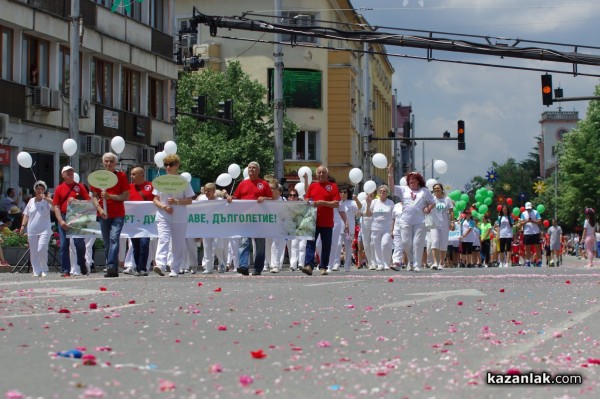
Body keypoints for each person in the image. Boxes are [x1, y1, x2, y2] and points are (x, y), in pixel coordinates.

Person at [227, 161, 273, 276]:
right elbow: (236, 197)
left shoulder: (264, 184)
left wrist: (265, 198)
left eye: (253, 168)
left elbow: (272, 200)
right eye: (249, 168)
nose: (251, 170)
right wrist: (230, 198)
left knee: (260, 245)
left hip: (260, 219)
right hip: (245, 218)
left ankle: (257, 268)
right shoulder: (243, 183)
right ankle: (243, 266)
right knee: (244, 242)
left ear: (258, 171)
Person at [152, 154, 195, 277]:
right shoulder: (161, 180)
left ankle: (175, 269)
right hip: (163, 214)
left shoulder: (183, 181)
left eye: (171, 164)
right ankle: (160, 264)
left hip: (179, 215)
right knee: (163, 238)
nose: (168, 167)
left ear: (177, 165)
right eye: (166, 165)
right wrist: (164, 207)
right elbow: (155, 199)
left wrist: (177, 202)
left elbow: (190, 200)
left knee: (178, 242)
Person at [387, 165, 435, 272]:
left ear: (418, 181)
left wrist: (428, 208)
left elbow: (433, 202)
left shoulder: (424, 191)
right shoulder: (404, 190)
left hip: (420, 221)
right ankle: (411, 261)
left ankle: (417, 264)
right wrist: (390, 174)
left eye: (414, 179)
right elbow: (392, 188)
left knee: (418, 243)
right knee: (406, 242)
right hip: (405, 220)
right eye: (410, 179)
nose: (411, 181)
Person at [90, 153, 130, 278]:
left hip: (117, 214)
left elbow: (125, 195)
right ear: (103, 162)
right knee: (107, 243)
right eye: (106, 161)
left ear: (115, 163)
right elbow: (94, 196)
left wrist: (110, 197)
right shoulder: (98, 177)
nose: (108, 163)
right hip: (103, 214)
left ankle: (112, 266)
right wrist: (100, 209)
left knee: (114, 239)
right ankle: (112, 267)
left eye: (111, 161)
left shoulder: (121, 176)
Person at [301, 165, 341, 276]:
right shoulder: (312, 186)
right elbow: (307, 200)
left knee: (326, 245)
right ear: (316, 174)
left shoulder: (332, 186)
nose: (321, 174)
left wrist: (322, 202)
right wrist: (308, 202)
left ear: (327, 174)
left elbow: (336, 203)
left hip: (327, 222)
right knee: (310, 244)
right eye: (319, 172)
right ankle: (308, 265)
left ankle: (323, 266)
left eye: (323, 172)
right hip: (313, 221)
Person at [53, 165, 91, 277]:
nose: (70, 173)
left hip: (77, 217)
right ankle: (65, 269)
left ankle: (81, 262)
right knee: (64, 245)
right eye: (67, 172)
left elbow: (88, 203)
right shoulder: (59, 188)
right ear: (62, 175)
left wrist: (76, 201)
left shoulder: (80, 187)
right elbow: (56, 206)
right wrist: (60, 221)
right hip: (64, 216)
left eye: (71, 171)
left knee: (79, 243)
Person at [18, 181, 53, 277]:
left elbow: (54, 206)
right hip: (32, 229)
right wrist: (22, 226)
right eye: (38, 189)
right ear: (34, 190)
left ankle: (44, 269)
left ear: (44, 190)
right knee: (33, 251)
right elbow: (26, 214)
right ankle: (36, 270)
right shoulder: (31, 201)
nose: (39, 190)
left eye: (42, 189)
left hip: (44, 229)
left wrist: (46, 198)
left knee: (42, 248)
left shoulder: (46, 201)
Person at [123, 166, 154, 276]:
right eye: (131, 174)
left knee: (144, 243)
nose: (131, 176)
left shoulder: (151, 186)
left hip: (147, 222)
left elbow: (156, 199)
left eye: (134, 174)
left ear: (141, 175)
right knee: (135, 245)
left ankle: (143, 268)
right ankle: (137, 267)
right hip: (133, 222)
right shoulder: (129, 188)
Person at [365, 184, 394, 271]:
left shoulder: (390, 203)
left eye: (384, 191)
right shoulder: (374, 202)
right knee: (377, 246)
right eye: (380, 191)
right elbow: (368, 214)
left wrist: (393, 229)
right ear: (378, 192)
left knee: (385, 245)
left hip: (387, 228)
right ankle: (379, 264)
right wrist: (367, 204)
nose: (382, 193)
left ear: (387, 193)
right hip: (376, 228)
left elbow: (393, 217)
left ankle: (386, 263)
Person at [430, 183, 454, 270]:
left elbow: (451, 211)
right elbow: (426, 208)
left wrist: (452, 222)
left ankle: (441, 262)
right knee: (435, 242)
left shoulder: (447, 199)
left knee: (443, 243)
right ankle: (435, 262)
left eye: (438, 188)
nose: (437, 190)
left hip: (444, 224)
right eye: (435, 188)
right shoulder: (432, 199)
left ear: (441, 189)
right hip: (434, 224)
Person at [285, 187, 306, 271]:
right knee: (294, 246)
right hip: (292, 228)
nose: (293, 197)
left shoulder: (303, 204)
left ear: (297, 196)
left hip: (303, 228)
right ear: (288, 197)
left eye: (294, 195)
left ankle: (301, 264)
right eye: (291, 195)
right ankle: (293, 265)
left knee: (302, 246)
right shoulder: (285, 206)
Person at [519, 201, 542, 267]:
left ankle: (539, 261)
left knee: (537, 247)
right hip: (527, 232)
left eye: (529, 208)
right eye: (527, 208)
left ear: (531, 207)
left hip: (535, 232)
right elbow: (521, 223)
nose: (528, 209)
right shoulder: (523, 213)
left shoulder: (536, 212)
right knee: (527, 248)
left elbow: (540, 221)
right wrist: (527, 221)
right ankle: (528, 261)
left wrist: (532, 221)